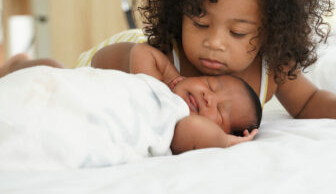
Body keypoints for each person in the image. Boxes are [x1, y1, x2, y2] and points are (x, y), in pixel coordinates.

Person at [1, 0, 336, 120]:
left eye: (238, 33)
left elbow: (307, 102)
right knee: (53, 77)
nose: (215, 43)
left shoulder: (275, 66)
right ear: (178, 9)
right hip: (120, 59)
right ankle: (18, 62)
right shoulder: (164, 53)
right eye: (199, 22)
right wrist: (148, 71)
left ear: (272, 28)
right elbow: (114, 60)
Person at [0, 65, 261, 169]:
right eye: (210, 84)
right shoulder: (153, 84)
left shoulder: (178, 120)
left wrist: (225, 143)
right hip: (56, 87)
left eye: (220, 112)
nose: (208, 98)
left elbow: (192, 133)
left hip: (67, 121)